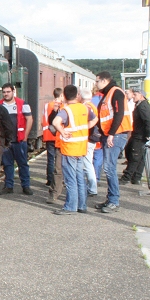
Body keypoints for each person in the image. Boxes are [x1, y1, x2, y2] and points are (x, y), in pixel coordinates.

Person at [52, 85, 97, 215]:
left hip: (70, 148)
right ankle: (82, 205)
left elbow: (55, 122)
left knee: (71, 179)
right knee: (80, 178)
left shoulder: (66, 110)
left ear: (64, 96)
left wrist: (63, 131)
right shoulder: (84, 108)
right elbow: (95, 119)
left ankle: (70, 207)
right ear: (77, 95)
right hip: (81, 147)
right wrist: (84, 129)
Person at [94, 71, 132, 213]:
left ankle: (114, 200)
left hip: (116, 135)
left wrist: (111, 134)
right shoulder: (109, 93)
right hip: (110, 135)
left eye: (97, 81)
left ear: (104, 81)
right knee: (108, 168)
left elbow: (119, 114)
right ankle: (110, 199)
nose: (96, 84)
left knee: (109, 168)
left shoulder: (116, 92)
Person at [0, 83, 33, 195]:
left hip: (19, 140)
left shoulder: (22, 104)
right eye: (4, 92)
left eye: (8, 92)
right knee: (7, 164)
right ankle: (8, 186)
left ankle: (26, 186)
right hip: (6, 141)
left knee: (22, 164)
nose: (6, 94)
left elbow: (29, 119)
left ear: (13, 92)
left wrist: (25, 136)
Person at [120, 89, 150, 185]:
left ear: (141, 95)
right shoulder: (142, 105)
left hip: (139, 135)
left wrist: (147, 134)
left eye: (135, 95)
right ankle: (136, 177)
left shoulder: (143, 106)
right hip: (138, 134)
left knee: (134, 155)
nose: (133, 96)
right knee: (137, 155)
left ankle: (127, 177)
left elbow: (149, 120)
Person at [80, 87, 100, 197]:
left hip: (88, 138)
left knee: (87, 164)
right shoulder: (93, 106)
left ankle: (92, 188)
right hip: (92, 138)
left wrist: (82, 129)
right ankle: (91, 187)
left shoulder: (86, 107)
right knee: (88, 163)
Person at [42, 88, 62, 191]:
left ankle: (49, 179)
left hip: (48, 134)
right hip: (59, 135)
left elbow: (44, 119)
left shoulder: (47, 105)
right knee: (59, 160)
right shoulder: (62, 105)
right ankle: (57, 180)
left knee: (50, 158)